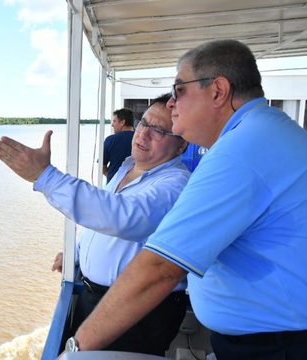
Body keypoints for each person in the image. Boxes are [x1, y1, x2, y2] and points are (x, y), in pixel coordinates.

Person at [67, 39, 307, 359]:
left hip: (277, 346)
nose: (170, 103)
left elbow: (161, 269)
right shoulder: (266, 131)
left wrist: (73, 349)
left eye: (179, 89)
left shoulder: (241, 150)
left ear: (218, 91)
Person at [0, 94, 190, 356]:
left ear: (181, 145)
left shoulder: (176, 184)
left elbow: (121, 218)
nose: (143, 134)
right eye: (143, 123)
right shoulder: (127, 169)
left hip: (137, 313)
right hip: (97, 298)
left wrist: (45, 177)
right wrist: (77, 254)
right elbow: (101, 222)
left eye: (159, 130)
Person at [103, 108, 135, 183]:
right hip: (135, 183)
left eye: (114, 121)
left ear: (122, 122)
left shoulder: (110, 140)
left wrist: (113, 178)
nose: (112, 125)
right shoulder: (141, 139)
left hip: (114, 185)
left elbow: (102, 166)